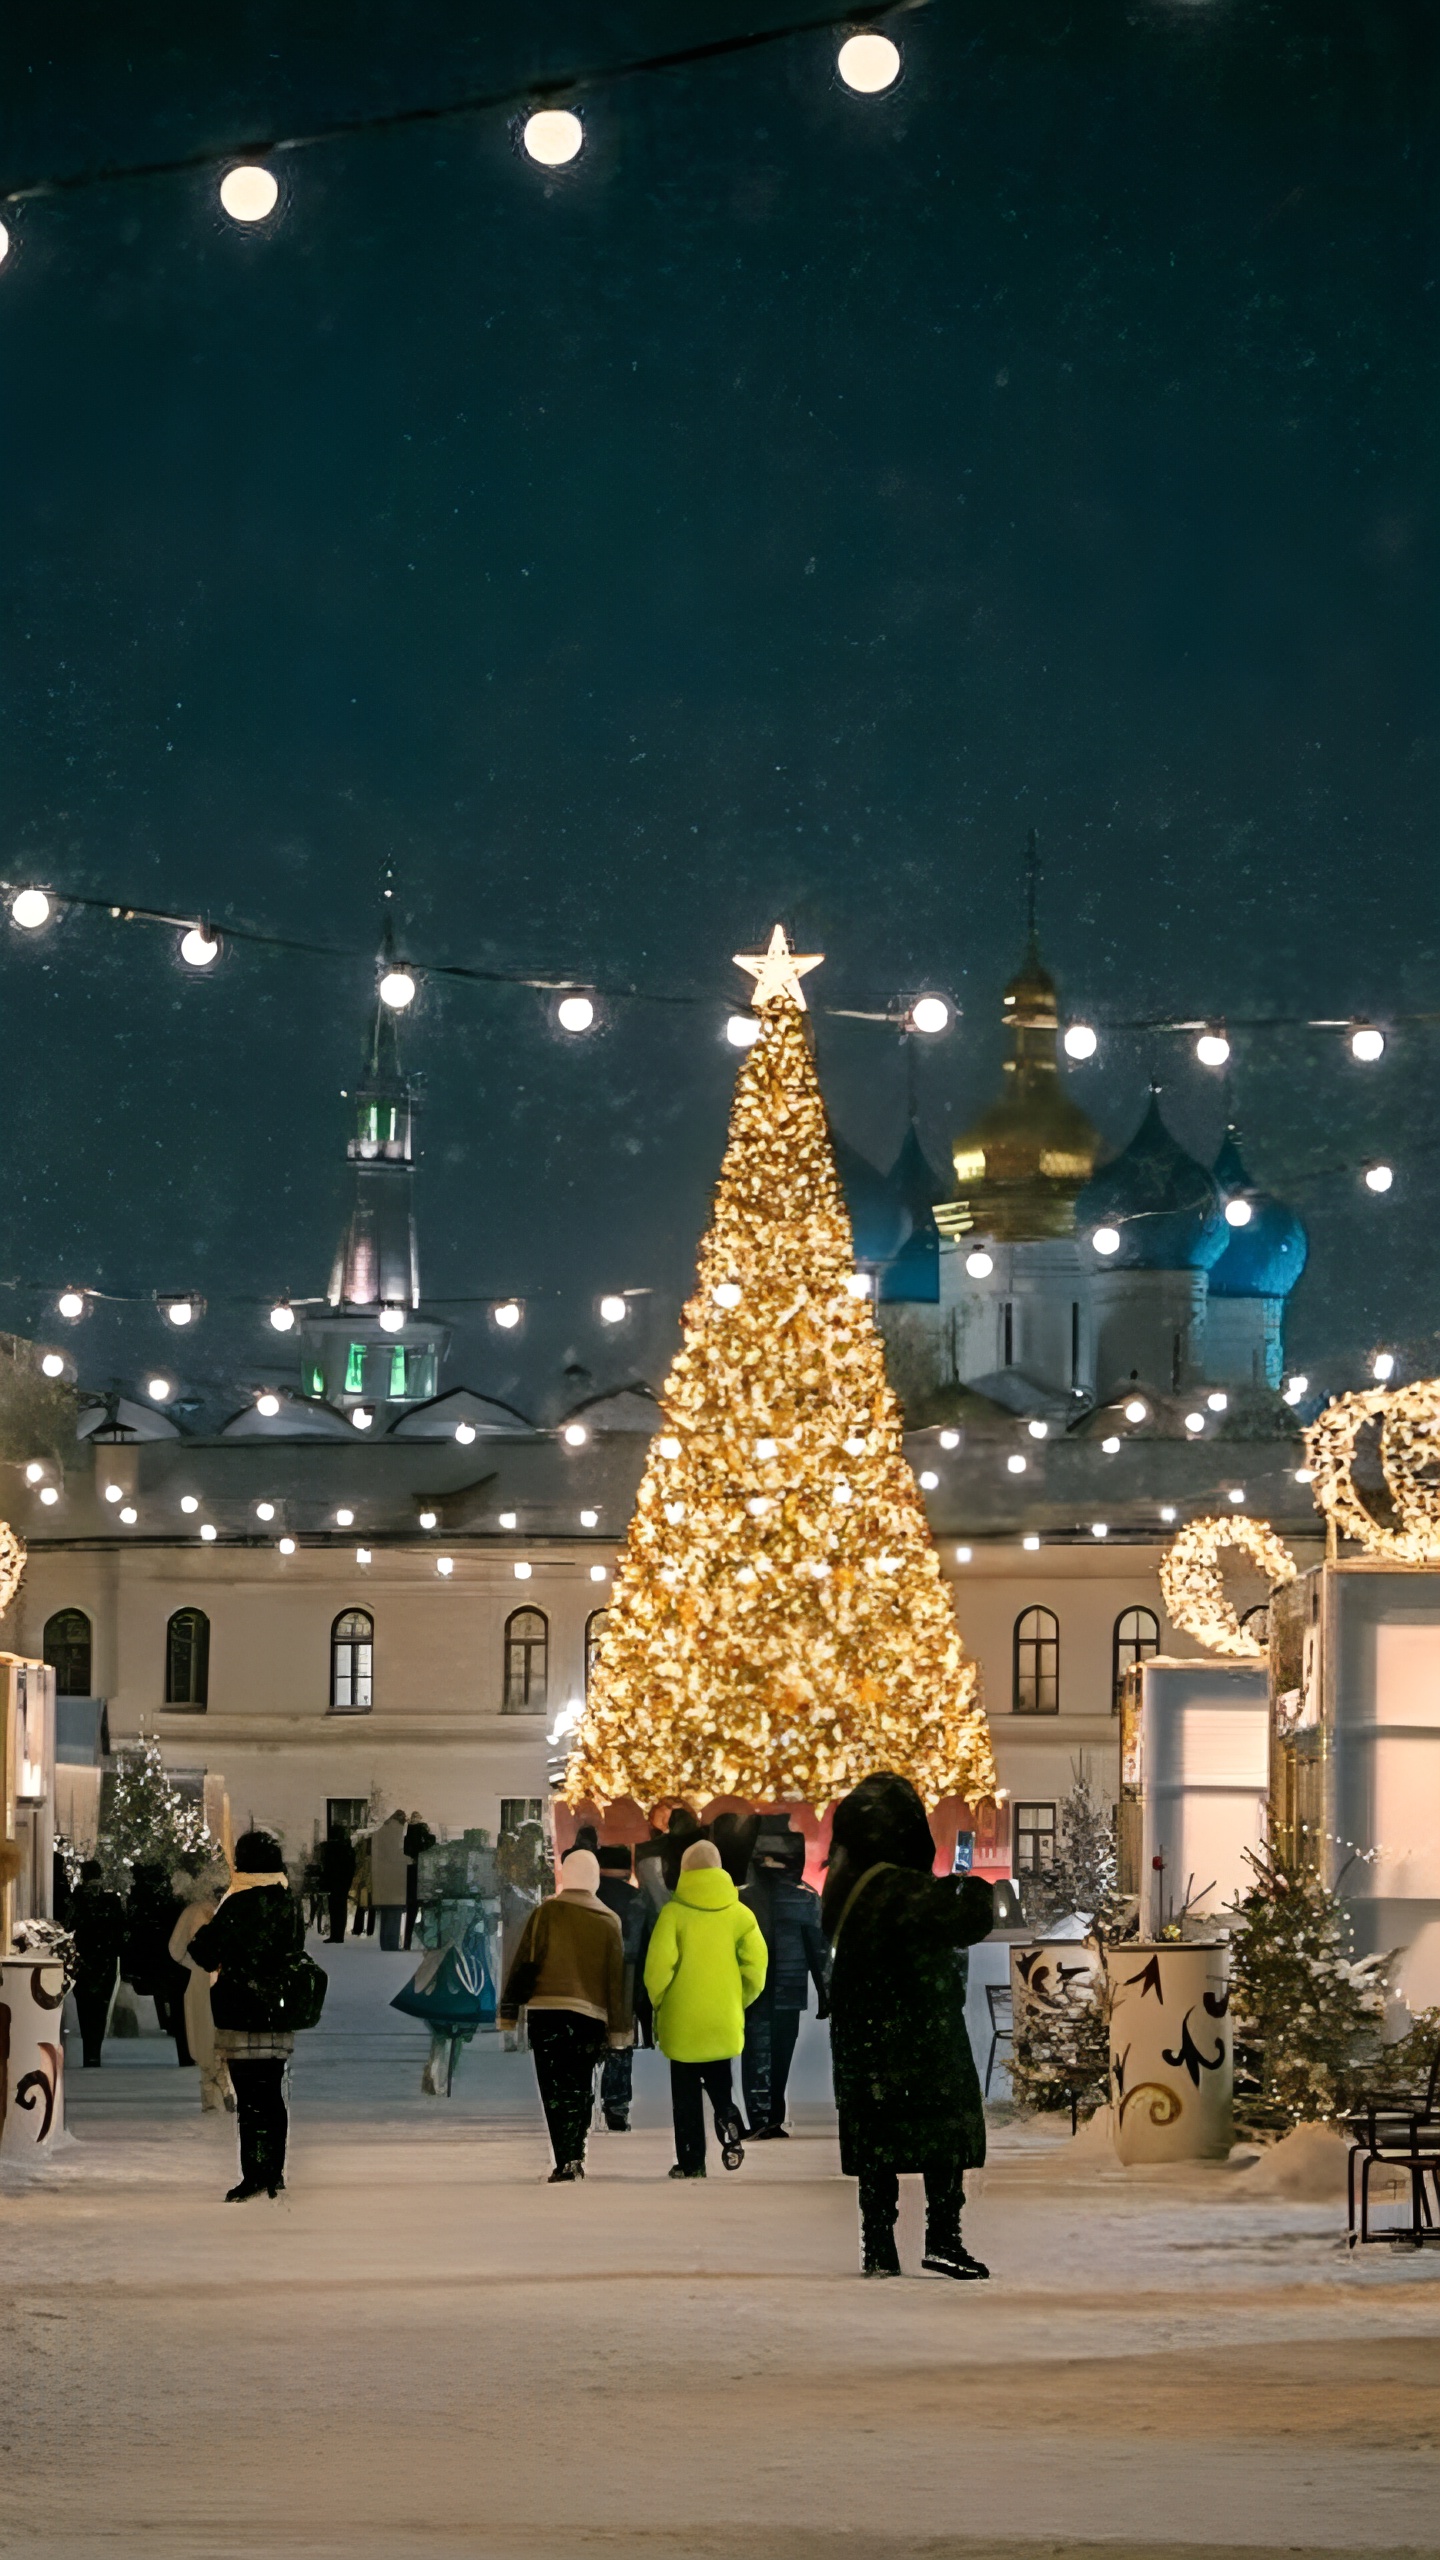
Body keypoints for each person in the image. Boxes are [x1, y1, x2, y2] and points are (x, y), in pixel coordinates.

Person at [822, 1771, 994, 2281]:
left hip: (867, 2039)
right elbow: (965, 1920)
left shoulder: (850, 1889)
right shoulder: (897, 1886)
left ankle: (877, 2245)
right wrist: (974, 1887)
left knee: (878, 2143)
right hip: (920, 2037)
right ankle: (943, 2238)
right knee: (942, 2133)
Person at [188, 1830, 313, 2201]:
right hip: (278, 2010)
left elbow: (206, 1952)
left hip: (242, 2009)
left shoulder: (238, 1903)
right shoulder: (287, 1901)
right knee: (272, 2094)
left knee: (250, 2098)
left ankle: (254, 2174)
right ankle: (274, 2172)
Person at [498, 1847, 629, 2182]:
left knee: (554, 2090)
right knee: (580, 2084)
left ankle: (565, 2157)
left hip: (546, 2012)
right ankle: (575, 2153)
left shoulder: (546, 1914)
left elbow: (525, 1962)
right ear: (595, 1880)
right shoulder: (608, 1921)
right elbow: (616, 1980)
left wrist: (510, 2010)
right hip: (590, 2017)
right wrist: (619, 2030)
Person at [644, 1840, 767, 2180]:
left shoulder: (673, 1914)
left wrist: (661, 2002)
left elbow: (657, 1970)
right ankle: (727, 2114)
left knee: (684, 2096)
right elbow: (757, 1966)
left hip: (682, 2018)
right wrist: (736, 1998)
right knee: (719, 2079)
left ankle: (691, 2162)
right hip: (722, 2016)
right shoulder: (741, 1914)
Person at [741, 1826, 830, 2139]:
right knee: (780, 2055)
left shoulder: (743, 1896)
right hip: (789, 1987)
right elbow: (818, 1952)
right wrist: (826, 1993)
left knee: (755, 2054)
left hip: (750, 1988)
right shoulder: (805, 1897)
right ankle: (773, 2117)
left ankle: (760, 2117)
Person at [167, 1861, 236, 2113]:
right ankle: (225, 2088)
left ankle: (212, 2097)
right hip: (227, 1982)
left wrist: (194, 1965)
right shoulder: (230, 1911)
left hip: (199, 1982)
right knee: (224, 2038)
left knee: (205, 2041)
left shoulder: (193, 1911)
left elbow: (175, 1950)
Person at [594, 1845, 645, 2131]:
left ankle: (584, 2100)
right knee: (620, 2045)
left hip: (589, 1978)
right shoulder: (636, 1900)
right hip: (625, 1979)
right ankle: (616, 2107)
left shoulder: (589, 1896)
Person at [124, 1860, 192, 2064]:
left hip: (155, 1959)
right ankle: (183, 2048)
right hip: (171, 1959)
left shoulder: (138, 1900)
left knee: (171, 2003)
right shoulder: (169, 1902)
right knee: (178, 2006)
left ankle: (172, 2028)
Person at [69, 1858, 126, 2067]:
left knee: (85, 2006)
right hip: (105, 1960)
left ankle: (89, 2052)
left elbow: (68, 1925)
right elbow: (120, 1930)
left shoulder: (77, 1900)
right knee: (100, 2009)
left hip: (83, 1958)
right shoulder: (111, 1900)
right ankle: (95, 2052)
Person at [370, 1809, 409, 1951]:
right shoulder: (394, 1829)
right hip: (393, 1877)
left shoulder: (383, 1829)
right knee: (394, 1912)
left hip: (382, 1878)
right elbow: (393, 1854)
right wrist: (409, 1860)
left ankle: (385, 1944)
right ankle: (392, 1944)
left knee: (387, 1913)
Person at [402, 1810, 436, 1951]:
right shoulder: (422, 1832)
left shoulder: (406, 1833)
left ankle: (407, 1942)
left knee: (411, 1910)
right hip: (422, 1873)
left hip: (411, 1872)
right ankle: (427, 1941)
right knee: (427, 1910)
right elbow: (431, 1841)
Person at [318, 1825, 356, 1944]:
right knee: (340, 1908)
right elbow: (351, 1866)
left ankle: (335, 1935)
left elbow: (327, 1866)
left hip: (333, 1881)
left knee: (334, 1908)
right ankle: (338, 1935)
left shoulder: (330, 1848)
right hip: (343, 1881)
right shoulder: (347, 1848)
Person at [350, 1827, 375, 1936]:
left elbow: (361, 1873)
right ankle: (370, 1930)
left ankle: (358, 1929)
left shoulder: (365, 1859)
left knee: (361, 1908)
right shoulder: (377, 1859)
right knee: (372, 1908)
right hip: (374, 1886)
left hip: (364, 1885)